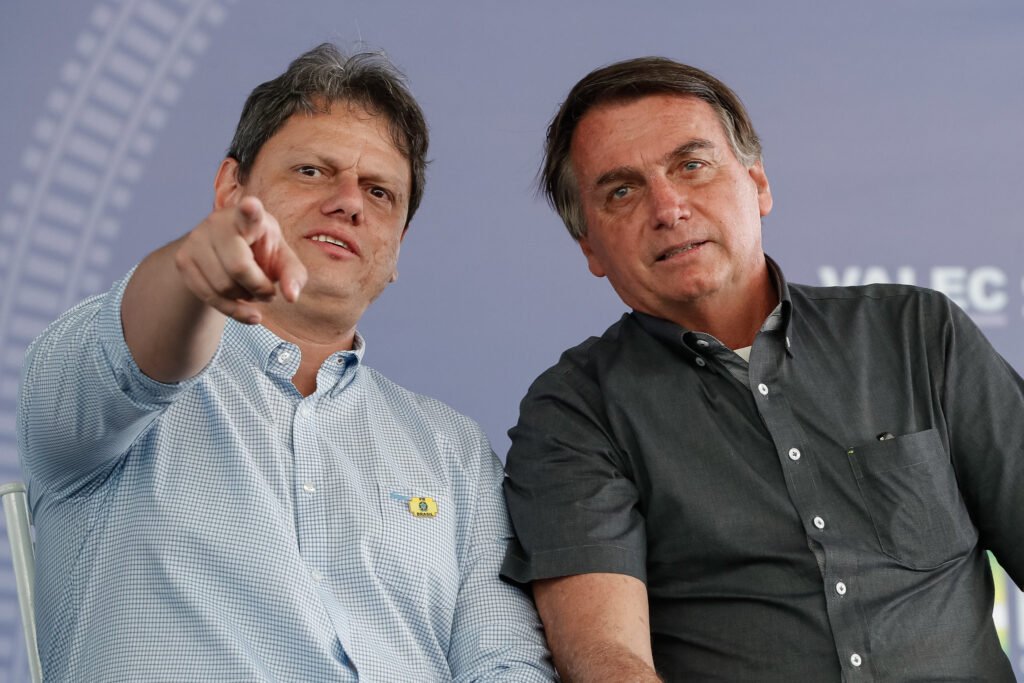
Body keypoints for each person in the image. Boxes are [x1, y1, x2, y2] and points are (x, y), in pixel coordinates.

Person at [18, 43, 554, 681]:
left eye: (380, 192)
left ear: (397, 248)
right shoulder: (103, 389)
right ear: (231, 189)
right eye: (312, 171)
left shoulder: (456, 452)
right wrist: (195, 273)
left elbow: (506, 663)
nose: (349, 202)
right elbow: (134, 358)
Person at [500, 56, 1023, 682]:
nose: (667, 207)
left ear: (758, 184)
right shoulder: (575, 411)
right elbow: (608, 660)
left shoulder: (916, 332)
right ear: (589, 245)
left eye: (691, 165)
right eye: (622, 191)